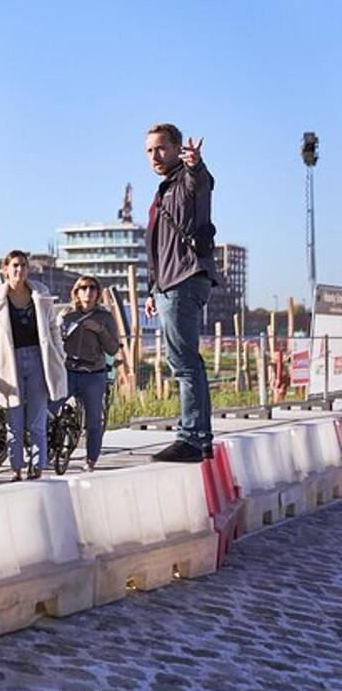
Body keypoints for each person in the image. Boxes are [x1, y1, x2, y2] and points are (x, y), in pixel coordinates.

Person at [143, 123, 222, 462]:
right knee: (187, 361)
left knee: (184, 363)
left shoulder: (187, 182)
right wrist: (151, 289)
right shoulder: (164, 191)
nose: (154, 156)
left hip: (183, 280)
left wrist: (195, 164)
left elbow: (201, 181)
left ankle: (190, 438)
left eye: (161, 148)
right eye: (149, 151)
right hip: (170, 282)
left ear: (177, 149)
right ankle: (199, 439)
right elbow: (160, 247)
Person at [0, 251, 67, 480]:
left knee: (37, 417)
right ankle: (16, 468)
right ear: (5, 269)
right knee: (14, 418)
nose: (19, 270)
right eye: (15, 266)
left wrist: (59, 354)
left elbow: (52, 328)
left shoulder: (40, 293)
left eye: (23, 266)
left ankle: (38, 466)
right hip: (9, 362)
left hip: (38, 359)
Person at [58, 275, 120, 471]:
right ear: (76, 292)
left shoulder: (105, 317)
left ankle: (91, 459)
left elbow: (112, 349)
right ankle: (53, 448)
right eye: (83, 288)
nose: (88, 291)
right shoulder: (67, 315)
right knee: (51, 407)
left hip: (93, 372)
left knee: (94, 419)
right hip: (69, 370)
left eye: (92, 288)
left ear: (98, 293)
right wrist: (63, 335)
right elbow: (53, 341)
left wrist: (100, 330)